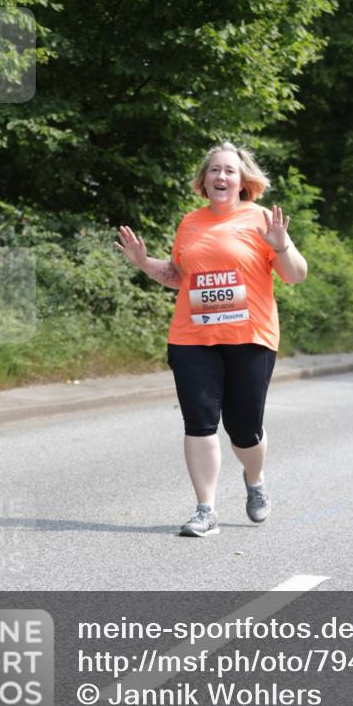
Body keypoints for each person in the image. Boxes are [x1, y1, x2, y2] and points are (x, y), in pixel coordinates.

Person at [114, 141, 307, 537]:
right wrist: (143, 263)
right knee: (199, 422)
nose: (221, 176)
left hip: (250, 336)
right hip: (192, 337)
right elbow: (179, 276)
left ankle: (255, 481)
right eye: (214, 170)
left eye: (229, 171)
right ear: (204, 180)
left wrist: (282, 246)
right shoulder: (190, 223)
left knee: (244, 427)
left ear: (242, 181)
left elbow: (295, 275)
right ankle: (206, 510)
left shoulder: (261, 221)